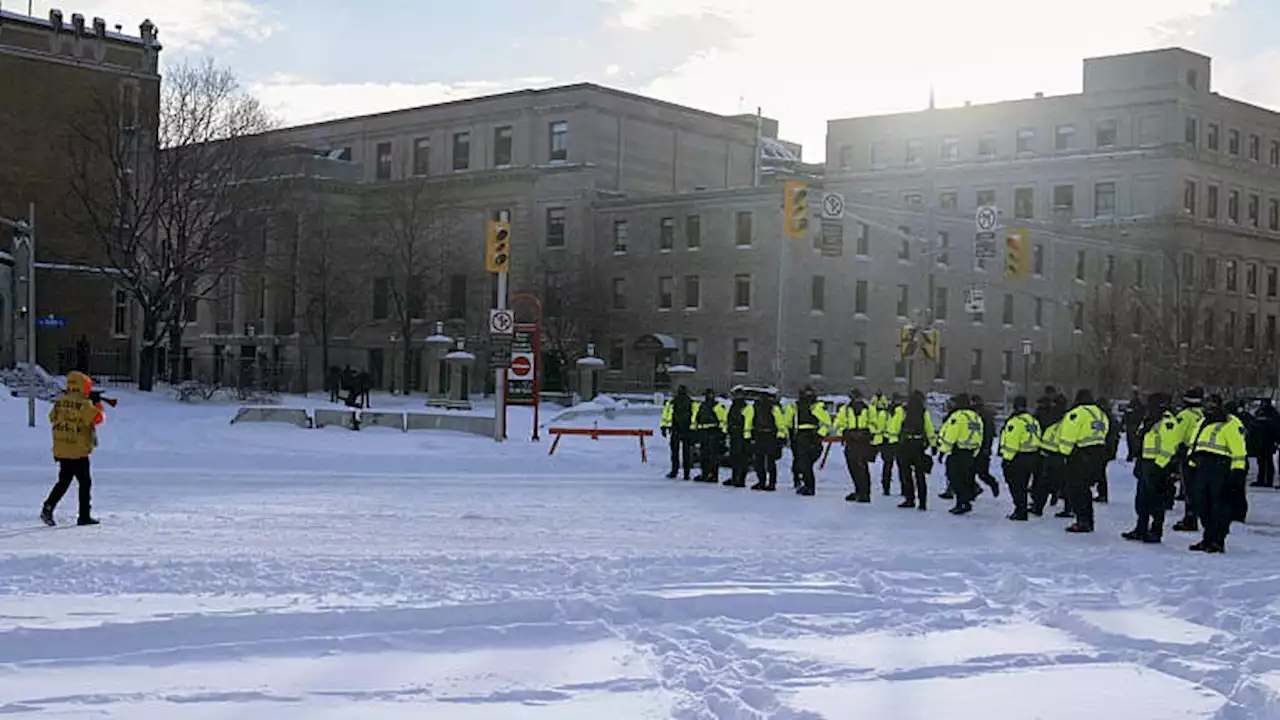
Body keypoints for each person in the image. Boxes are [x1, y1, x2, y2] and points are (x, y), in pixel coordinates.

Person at [1185, 393, 1247, 553]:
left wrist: (1238, 471)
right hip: (1201, 467)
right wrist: (1191, 465)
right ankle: (1207, 538)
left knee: (1219, 506)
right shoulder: (1202, 421)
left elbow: (1239, 449)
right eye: (1207, 405)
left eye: (1212, 405)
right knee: (1201, 504)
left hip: (1221, 468)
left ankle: (1217, 541)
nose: (1209, 408)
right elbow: (1195, 443)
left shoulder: (1230, 422)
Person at [42, 371, 104, 527]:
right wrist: (96, 404)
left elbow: (51, 418)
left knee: (64, 481)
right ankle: (84, 516)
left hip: (62, 448)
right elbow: (98, 418)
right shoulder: (84, 404)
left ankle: (48, 507)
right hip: (78, 450)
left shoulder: (60, 402)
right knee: (85, 483)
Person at [1123, 393, 1178, 544]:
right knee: (1142, 500)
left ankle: (1155, 531)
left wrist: (1158, 466)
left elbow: (1168, 448)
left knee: (1156, 500)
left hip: (1157, 466)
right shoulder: (1149, 420)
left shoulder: (1167, 423)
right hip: (1144, 463)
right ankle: (1141, 528)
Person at [1060, 389, 1110, 534]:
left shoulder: (1077, 413)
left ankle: (1082, 520)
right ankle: (1088, 520)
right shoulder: (1100, 413)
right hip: (1098, 453)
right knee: (1085, 488)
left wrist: (1065, 452)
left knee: (1077, 489)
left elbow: (1068, 434)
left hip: (1080, 454)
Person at [938, 393, 983, 515]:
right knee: (966, 479)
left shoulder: (958, 416)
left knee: (955, 479)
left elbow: (951, 435)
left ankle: (961, 503)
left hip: (959, 451)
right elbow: (980, 435)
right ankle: (966, 502)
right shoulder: (975, 417)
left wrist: (943, 450)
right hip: (971, 452)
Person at [999, 395, 1041, 521]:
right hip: (1032, 456)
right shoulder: (1033, 421)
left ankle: (1020, 511)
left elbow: (1012, 442)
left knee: (1016, 486)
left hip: (1017, 458)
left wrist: (1007, 459)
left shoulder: (1016, 422)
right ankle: (1021, 509)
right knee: (1023, 485)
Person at [893, 390, 936, 510]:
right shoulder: (924, 412)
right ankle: (922, 502)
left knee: (905, 474)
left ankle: (909, 499)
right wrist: (933, 444)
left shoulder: (902, 411)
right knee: (920, 474)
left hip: (905, 445)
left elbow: (894, 427)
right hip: (918, 445)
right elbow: (929, 429)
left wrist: (894, 442)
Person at [1172, 388, 1206, 532]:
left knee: (1189, 487)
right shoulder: (1204, 414)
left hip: (1188, 453)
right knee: (1200, 487)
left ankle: (1190, 518)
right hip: (1204, 454)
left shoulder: (1185, 415)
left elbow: (1176, 435)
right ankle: (1199, 516)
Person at [790, 386, 832, 497]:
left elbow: (826, 423)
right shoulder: (796, 406)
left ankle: (809, 486)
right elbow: (790, 421)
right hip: (800, 436)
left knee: (806, 463)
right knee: (803, 463)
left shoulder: (817, 406)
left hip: (811, 436)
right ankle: (806, 484)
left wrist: (819, 435)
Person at [834, 389, 874, 503]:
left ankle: (865, 493)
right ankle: (858, 490)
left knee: (862, 467)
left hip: (863, 441)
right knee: (853, 467)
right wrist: (845, 432)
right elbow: (838, 424)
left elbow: (875, 424)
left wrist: (866, 432)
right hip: (851, 441)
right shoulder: (845, 410)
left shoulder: (869, 409)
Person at [746, 392, 786, 492]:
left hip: (768, 436)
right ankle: (763, 482)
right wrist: (748, 436)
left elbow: (780, 423)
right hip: (761, 435)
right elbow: (749, 422)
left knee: (768, 461)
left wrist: (780, 436)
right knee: (760, 461)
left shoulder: (771, 408)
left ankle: (770, 483)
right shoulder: (756, 407)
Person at [660, 385, 698, 480]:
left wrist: (664, 427)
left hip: (675, 429)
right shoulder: (692, 403)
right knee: (686, 453)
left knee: (675, 452)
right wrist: (694, 429)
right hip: (687, 430)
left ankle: (674, 471)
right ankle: (686, 473)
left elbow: (666, 415)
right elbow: (695, 416)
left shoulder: (672, 402)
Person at [691, 388, 728, 483]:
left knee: (713, 456)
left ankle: (713, 475)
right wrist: (695, 431)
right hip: (703, 432)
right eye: (707, 394)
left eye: (710, 394)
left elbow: (723, 420)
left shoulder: (717, 406)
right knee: (704, 455)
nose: (708, 396)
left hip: (713, 432)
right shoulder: (702, 405)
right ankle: (704, 473)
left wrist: (722, 434)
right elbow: (696, 419)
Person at [970, 394, 1000, 498]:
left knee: (982, 473)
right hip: (974, 447)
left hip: (982, 448)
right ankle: (973, 490)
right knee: (970, 472)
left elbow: (989, 433)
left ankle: (993, 484)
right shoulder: (973, 414)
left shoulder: (984, 415)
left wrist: (986, 448)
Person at [723, 390, 752, 488]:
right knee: (735, 458)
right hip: (735, 435)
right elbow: (728, 419)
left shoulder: (746, 407)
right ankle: (735, 478)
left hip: (742, 435)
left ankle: (741, 479)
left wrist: (747, 435)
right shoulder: (734, 406)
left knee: (742, 458)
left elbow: (748, 421)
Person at [1251, 399, 1279, 488]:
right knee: (1262, 461)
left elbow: (1276, 428)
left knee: (1267, 461)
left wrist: (1276, 440)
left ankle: (1267, 481)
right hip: (1262, 440)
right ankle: (1262, 480)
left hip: (1268, 440)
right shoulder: (1260, 412)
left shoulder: (1272, 413)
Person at [1123, 392, 1146, 462]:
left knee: (1132, 441)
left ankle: (1132, 454)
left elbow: (1126, 415)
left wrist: (1124, 423)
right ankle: (1133, 454)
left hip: (1133, 425)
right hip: (1134, 425)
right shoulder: (1139, 405)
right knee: (1134, 441)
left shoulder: (1133, 405)